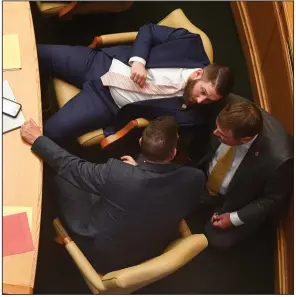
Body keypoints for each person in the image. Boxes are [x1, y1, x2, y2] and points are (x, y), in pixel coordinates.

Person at [20, 116, 205, 273]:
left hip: (102, 255)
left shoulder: (117, 173)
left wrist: (38, 139)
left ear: (140, 142)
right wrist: (140, 170)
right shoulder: (195, 178)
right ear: (173, 153)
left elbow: (72, 166)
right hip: (153, 248)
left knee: (64, 178)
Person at [38, 23, 233, 143]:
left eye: (209, 100)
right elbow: (148, 30)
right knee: (36, 53)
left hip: (106, 103)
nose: (200, 101)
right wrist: (139, 60)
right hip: (101, 63)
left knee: (49, 133)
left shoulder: (194, 116)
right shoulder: (189, 44)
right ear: (198, 73)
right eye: (203, 92)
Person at [190, 99, 293, 248]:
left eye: (222, 135)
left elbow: (271, 199)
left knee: (218, 239)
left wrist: (234, 218)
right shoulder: (228, 106)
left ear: (246, 139)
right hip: (205, 173)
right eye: (217, 128)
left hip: (238, 196)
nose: (215, 133)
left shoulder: (279, 160)